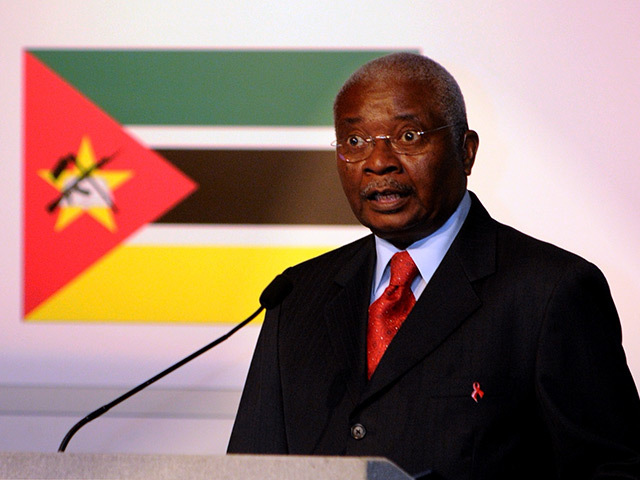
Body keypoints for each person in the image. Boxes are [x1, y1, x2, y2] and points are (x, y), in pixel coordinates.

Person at [227, 52, 640, 479]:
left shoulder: (549, 292)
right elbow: (249, 469)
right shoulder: (295, 296)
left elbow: (614, 471)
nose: (378, 161)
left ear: (466, 151)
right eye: (354, 142)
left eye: (408, 136)